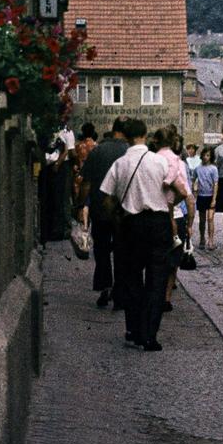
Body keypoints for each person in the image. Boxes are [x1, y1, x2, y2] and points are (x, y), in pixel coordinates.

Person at [100, 117, 189, 352]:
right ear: (145, 134)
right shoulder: (159, 162)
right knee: (157, 279)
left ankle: (134, 330)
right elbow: (181, 190)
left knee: (132, 278)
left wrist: (117, 217)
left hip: (131, 224)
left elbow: (107, 199)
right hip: (158, 222)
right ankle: (150, 335)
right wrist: (169, 205)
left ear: (126, 137)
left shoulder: (120, 164)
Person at [79, 119, 128, 308]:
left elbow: (86, 182)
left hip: (100, 209)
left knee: (102, 249)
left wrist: (81, 204)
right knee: (122, 250)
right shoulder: (129, 152)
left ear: (113, 129)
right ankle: (120, 290)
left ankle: (105, 286)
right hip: (124, 211)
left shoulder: (97, 151)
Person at [152, 126, 195, 314]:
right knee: (172, 261)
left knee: (157, 259)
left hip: (156, 214)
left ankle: (156, 294)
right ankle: (166, 297)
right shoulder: (178, 163)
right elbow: (186, 194)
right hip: (176, 216)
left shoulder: (151, 160)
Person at [194, 145, 218, 247]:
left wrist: (214, 198)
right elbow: (193, 180)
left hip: (210, 196)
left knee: (210, 218)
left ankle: (211, 240)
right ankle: (202, 238)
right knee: (202, 219)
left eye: (208, 155)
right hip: (201, 196)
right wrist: (194, 189)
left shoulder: (213, 169)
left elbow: (216, 184)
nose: (205, 157)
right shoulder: (198, 168)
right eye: (204, 155)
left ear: (211, 157)